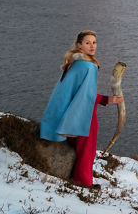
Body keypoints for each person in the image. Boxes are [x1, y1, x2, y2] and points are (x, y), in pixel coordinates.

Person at [40, 30, 122, 186]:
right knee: (87, 150)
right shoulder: (88, 66)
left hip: (67, 113)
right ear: (79, 45)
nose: (92, 46)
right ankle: (84, 183)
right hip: (83, 114)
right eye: (87, 43)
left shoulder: (73, 62)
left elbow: (77, 91)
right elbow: (86, 95)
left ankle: (76, 177)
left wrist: (104, 99)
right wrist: (107, 99)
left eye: (94, 42)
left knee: (79, 147)